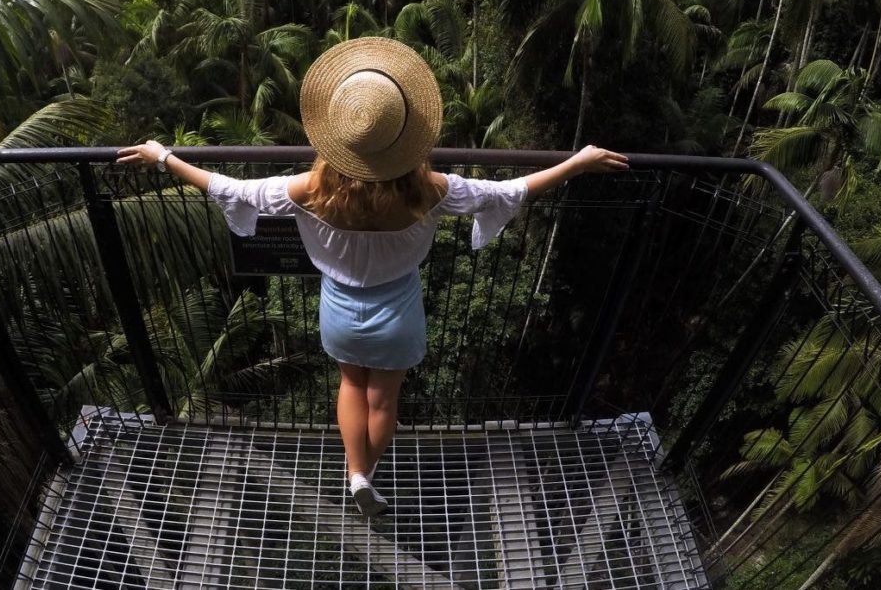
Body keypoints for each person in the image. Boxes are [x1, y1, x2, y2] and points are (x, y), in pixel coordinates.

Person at [118, 37, 629, 517]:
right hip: (398, 311)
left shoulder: (310, 188)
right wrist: (575, 165)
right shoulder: (430, 191)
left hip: (338, 309)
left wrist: (164, 156)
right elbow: (508, 192)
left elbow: (233, 189)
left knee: (348, 383)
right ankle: (365, 472)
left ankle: (355, 472)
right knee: (384, 398)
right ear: (404, 138)